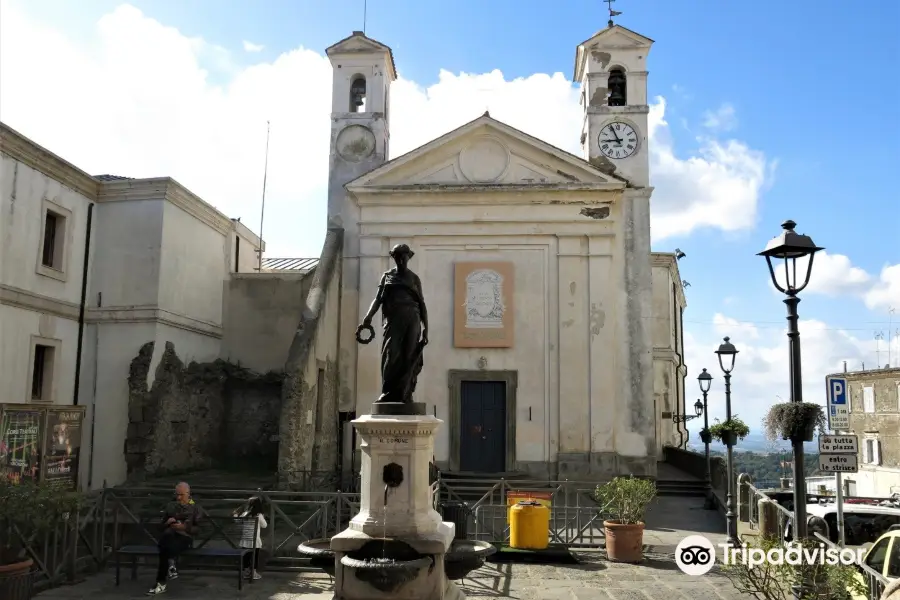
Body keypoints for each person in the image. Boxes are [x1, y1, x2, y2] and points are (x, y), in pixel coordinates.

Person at [356, 244, 429, 404]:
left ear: (408, 258)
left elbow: (422, 303)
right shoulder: (387, 276)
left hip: (412, 318)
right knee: (390, 353)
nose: (402, 260)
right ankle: (387, 392)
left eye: (404, 257)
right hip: (393, 320)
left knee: (409, 356)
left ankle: (406, 394)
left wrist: (426, 330)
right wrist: (368, 317)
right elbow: (378, 298)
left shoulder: (414, 278)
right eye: (398, 257)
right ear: (394, 258)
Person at [147, 482, 199, 595]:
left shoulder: (195, 508)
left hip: (184, 538)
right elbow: (160, 528)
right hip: (169, 537)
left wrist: (184, 527)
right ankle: (170, 568)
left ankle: (161, 582)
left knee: (164, 549)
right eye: (177, 495)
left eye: (181, 495)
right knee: (166, 540)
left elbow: (198, 530)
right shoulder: (171, 506)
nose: (179, 498)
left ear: (188, 494)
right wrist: (167, 522)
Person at [234, 495, 267, 580]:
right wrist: (263, 517)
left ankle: (246, 572)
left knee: (246, 556)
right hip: (255, 541)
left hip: (245, 540)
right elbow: (265, 525)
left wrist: (235, 515)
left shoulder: (245, 514)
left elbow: (237, 521)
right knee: (255, 556)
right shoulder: (258, 515)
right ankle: (254, 573)